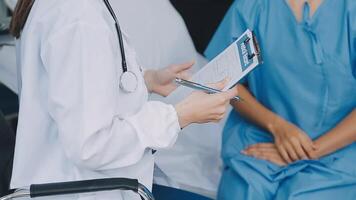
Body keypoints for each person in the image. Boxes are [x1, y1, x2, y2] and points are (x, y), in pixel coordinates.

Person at [9, 0, 238, 200]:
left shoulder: (66, 8)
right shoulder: (78, 17)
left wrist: (146, 80)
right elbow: (91, 145)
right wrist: (178, 116)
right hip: (86, 189)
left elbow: (72, 86)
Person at [205, 0, 356, 199]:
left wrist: (307, 151)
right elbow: (222, 79)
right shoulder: (252, 7)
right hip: (259, 143)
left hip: (338, 151)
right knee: (245, 192)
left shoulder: (350, 10)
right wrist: (276, 126)